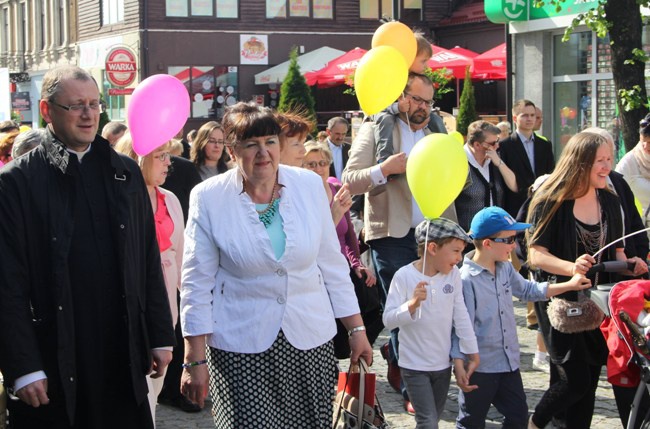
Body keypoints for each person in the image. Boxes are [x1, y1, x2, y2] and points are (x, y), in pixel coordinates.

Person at [179, 102, 373, 428]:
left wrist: (356, 330)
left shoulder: (310, 186)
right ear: (232, 149)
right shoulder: (209, 196)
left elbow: (331, 263)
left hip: (310, 341)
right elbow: (197, 280)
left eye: (270, 142)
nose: (263, 153)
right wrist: (193, 358)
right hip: (240, 345)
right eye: (251, 144)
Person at [0, 65, 174, 428]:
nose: (88, 114)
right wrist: (23, 366)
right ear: (47, 111)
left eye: (95, 104)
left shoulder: (124, 173)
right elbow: (6, 282)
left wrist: (159, 335)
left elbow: (146, 260)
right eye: (76, 105)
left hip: (120, 351)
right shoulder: (16, 183)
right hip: (55, 355)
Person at [343, 73, 457, 412]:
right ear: (402, 96)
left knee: (435, 310)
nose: (423, 108)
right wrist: (384, 168)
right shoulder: (379, 126)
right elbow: (351, 179)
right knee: (407, 310)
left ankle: (401, 358)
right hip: (392, 235)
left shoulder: (436, 128)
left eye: (428, 102)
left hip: (434, 234)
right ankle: (413, 392)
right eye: (417, 100)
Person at [526, 131, 648, 429]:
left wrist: (631, 265)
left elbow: (618, 250)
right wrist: (572, 267)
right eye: (600, 161)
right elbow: (535, 255)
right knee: (573, 380)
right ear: (580, 163)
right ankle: (536, 422)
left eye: (609, 159)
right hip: (561, 299)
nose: (608, 167)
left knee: (590, 379)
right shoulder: (550, 200)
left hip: (600, 302)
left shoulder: (609, 199)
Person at [454, 206, 591, 429]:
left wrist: (570, 284)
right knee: (471, 421)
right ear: (488, 243)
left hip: (508, 364)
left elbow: (529, 290)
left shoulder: (505, 268)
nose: (514, 245)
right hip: (479, 368)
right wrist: (459, 363)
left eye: (515, 239)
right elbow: (461, 328)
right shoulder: (466, 280)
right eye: (508, 240)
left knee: (518, 417)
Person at [114, 135, 184, 425]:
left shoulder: (170, 199)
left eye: (168, 155)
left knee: (158, 373)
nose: (168, 163)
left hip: (166, 296)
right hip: (131, 296)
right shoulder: (119, 197)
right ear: (137, 157)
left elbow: (181, 254)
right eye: (160, 156)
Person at [383, 218, 479, 429]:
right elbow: (389, 320)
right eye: (455, 251)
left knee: (432, 419)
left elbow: (460, 315)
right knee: (427, 422)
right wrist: (412, 304)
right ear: (433, 248)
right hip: (413, 366)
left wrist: (472, 351)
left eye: (461, 252)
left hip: (442, 366)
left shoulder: (452, 275)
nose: (459, 258)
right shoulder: (404, 276)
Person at [302, 141, 381, 357]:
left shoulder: (336, 188)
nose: (318, 168)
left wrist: (357, 264)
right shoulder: (300, 195)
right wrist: (333, 213)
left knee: (375, 305)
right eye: (311, 164)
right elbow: (314, 239)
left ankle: (356, 351)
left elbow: (349, 235)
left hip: (341, 264)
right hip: (316, 268)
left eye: (322, 163)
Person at [374, 30, 447, 167]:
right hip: (385, 112)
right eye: (423, 61)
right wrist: (397, 108)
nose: (426, 66)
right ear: (409, 57)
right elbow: (381, 105)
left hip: (402, 114)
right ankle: (384, 158)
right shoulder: (393, 77)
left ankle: (446, 152)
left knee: (436, 119)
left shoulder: (416, 79)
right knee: (386, 120)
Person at [454, 120, 517, 233]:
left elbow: (514, 186)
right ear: (477, 145)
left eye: (497, 141)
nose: (497, 146)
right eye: (493, 143)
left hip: (495, 235)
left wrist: (499, 163)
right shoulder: (459, 162)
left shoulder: (494, 160)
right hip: (468, 237)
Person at [499, 99, 555, 217]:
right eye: (525, 115)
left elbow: (551, 173)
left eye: (532, 115)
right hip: (516, 207)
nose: (529, 119)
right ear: (515, 118)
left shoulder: (545, 145)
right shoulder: (505, 146)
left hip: (542, 204)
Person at [616, 113, 650, 225]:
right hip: (643, 230)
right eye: (642, 140)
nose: (645, 146)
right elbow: (614, 195)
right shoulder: (629, 163)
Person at [326, 116, 351, 181]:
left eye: (343, 134)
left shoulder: (350, 149)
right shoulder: (319, 149)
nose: (340, 137)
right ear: (328, 132)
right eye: (337, 134)